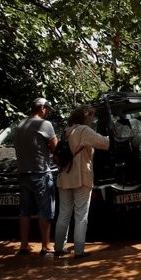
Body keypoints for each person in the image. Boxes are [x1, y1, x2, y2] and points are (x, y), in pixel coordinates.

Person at [54, 105, 110, 259]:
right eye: (91, 116)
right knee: (81, 215)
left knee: (64, 214)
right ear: (86, 117)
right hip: (81, 177)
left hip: (64, 177)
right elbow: (105, 143)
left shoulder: (66, 131)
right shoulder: (84, 131)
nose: (93, 119)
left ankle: (59, 248)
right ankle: (79, 251)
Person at [14, 97, 58, 256]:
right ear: (42, 108)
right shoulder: (44, 124)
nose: (47, 112)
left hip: (23, 174)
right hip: (40, 174)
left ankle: (24, 246)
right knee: (45, 211)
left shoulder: (20, 125)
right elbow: (56, 149)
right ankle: (46, 246)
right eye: (47, 109)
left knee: (25, 211)